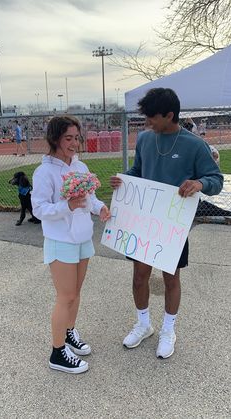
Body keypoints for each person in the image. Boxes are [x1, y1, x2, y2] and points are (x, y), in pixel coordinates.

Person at [110, 88, 223, 359]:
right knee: (139, 276)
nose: (147, 122)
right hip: (144, 222)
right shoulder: (146, 140)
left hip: (172, 225)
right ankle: (143, 324)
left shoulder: (195, 145)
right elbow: (138, 170)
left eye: (152, 117)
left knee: (171, 278)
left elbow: (216, 180)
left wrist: (199, 183)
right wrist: (124, 179)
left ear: (170, 115)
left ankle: (168, 330)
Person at [31, 115, 110, 374]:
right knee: (65, 296)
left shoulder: (81, 167)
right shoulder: (45, 172)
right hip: (60, 241)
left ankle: (68, 333)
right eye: (68, 138)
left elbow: (91, 198)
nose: (74, 143)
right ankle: (57, 352)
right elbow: (39, 209)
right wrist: (67, 205)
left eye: (77, 137)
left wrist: (101, 209)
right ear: (55, 139)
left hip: (83, 237)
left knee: (75, 293)